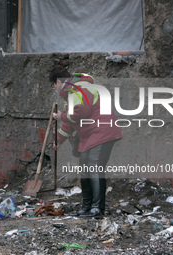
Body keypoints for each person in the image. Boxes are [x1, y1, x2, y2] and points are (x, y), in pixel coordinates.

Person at [49, 65, 122, 217]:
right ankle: (87, 207)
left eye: (54, 86)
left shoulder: (80, 89)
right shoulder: (73, 93)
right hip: (92, 135)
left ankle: (97, 209)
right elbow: (69, 123)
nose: (55, 89)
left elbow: (81, 112)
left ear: (57, 82)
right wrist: (58, 140)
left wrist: (61, 115)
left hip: (101, 133)